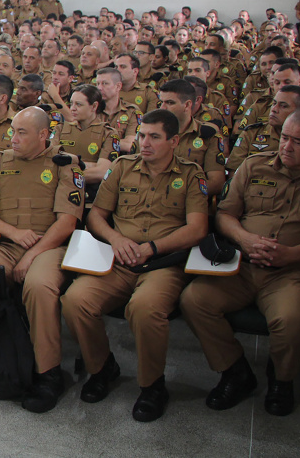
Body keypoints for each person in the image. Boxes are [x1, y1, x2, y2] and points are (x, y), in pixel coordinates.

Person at [180, 108, 300, 417]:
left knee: (292, 321)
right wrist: (245, 239)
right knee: (193, 301)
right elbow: (224, 215)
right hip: (242, 265)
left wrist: (293, 254)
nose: (287, 147)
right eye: (284, 138)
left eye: (298, 142)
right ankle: (235, 371)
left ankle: (282, 379)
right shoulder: (254, 165)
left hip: (292, 271)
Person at [62, 109, 208, 422]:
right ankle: (102, 368)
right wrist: (116, 240)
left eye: (155, 137)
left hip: (163, 263)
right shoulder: (122, 167)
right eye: (142, 135)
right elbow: (95, 215)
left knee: (144, 308)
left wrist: (152, 248)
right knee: (75, 300)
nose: (145, 143)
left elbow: (197, 229)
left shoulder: (190, 174)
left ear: (174, 141)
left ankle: (152, 385)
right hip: (119, 258)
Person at [0, 107, 84, 413]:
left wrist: (32, 252)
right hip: (7, 244)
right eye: (13, 131)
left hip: (49, 247)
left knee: (38, 286)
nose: (14, 137)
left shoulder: (65, 165)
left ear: (43, 135)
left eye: (22, 132)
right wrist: (14, 233)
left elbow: (66, 222)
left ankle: (47, 375)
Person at [155, 79, 227, 195]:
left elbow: (216, 182)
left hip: (188, 201)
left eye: (170, 103)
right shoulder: (148, 132)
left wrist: (178, 193)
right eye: (161, 102)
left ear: (187, 105)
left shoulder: (208, 135)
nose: (162, 108)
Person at [52, 84, 119, 202]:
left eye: (78, 104)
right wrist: (88, 164)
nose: (72, 108)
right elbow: (51, 162)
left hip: (92, 196)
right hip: (59, 195)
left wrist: (65, 171)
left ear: (94, 106)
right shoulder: (60, 129)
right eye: (71, 103)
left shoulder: (108, 133)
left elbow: (102, 172)